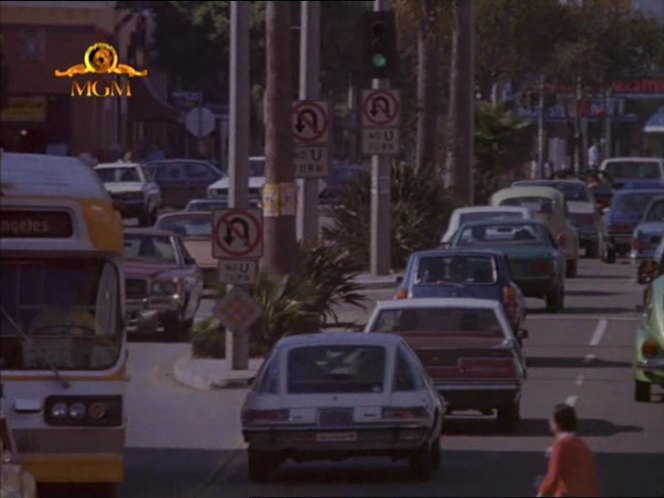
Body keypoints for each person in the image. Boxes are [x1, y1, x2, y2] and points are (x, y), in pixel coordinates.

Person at [537, 404, 600, 497]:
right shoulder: (580, 443)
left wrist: (541, 494)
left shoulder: (561, 445)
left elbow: (553, 478)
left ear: (556, 423)